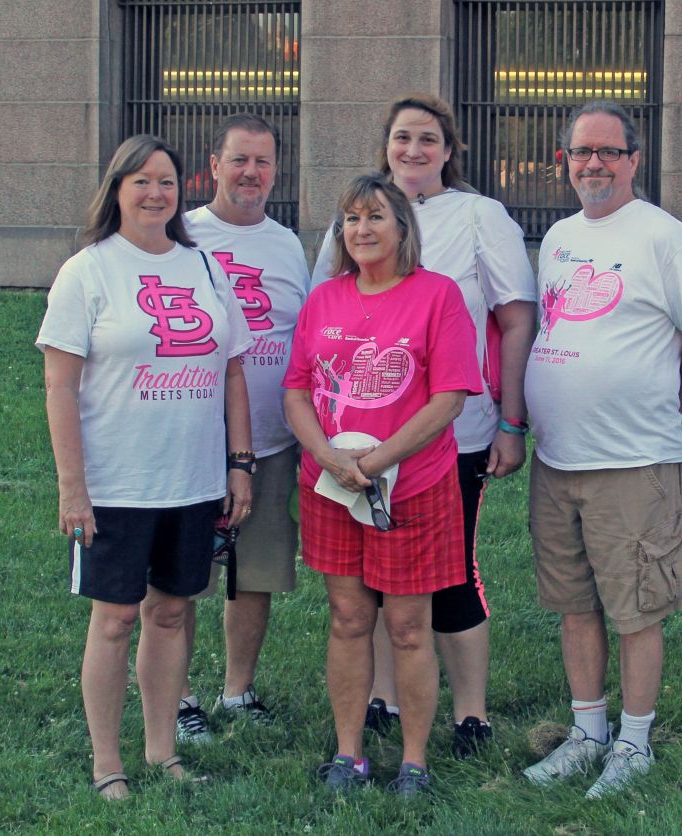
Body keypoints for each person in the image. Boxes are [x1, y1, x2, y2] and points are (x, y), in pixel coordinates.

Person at [312, 93, 536, 756]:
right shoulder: (354, 215)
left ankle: (470, 712)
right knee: (373, 577)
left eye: (429, 140)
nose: (414, 150)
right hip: (358, 442)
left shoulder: (478, 216)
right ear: (385, 145)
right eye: (403, 138)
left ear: (449, 150)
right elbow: (328, 317)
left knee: (449, 572)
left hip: (452, 436)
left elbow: (516, 317)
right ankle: (382, 696)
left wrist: (512, 421)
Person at [37, 135, 253, 800]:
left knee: (168, 613)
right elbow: (59, 385)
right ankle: (109, 764)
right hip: (116, 484)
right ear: (117, 189)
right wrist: (74, 487)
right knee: (115, 619)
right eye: (140, 181)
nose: (155, 193)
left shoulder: (205, 267)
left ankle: (163, 752)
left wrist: (239, 463)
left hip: (191, 481)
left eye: (165, 181)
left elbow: (234, 369)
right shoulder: (88, 271)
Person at [522, 101, 682, 799]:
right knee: (575, 604)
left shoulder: (664, 237)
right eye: (583, 152)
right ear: (565, 161)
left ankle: (634, 743)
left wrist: (665, 405)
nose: (595, 164)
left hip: (634, 462)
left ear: (635, 160)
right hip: (559, 462)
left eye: (610, 151)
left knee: (637, 607)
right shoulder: (558, 238)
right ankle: (587, 735)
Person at [283, 174, 482, 795]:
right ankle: (350, 756)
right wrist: (328, 457)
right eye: (350, 220)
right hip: (332, 487)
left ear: (402, 228)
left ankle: (413, 762)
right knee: (346, 618)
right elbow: (295, 389)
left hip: (411, 487)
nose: (361, 231)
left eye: (374, 218)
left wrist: (376, 462)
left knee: (407, 626)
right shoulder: (324, 299)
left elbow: (449, 398)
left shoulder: (436, 295)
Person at [174, 113, 309, 742]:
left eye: (262, 162)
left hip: (272, 442)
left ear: (276, 170)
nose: (251, 173)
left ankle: (237, 691)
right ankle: (179, 698)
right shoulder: (182, 237)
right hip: (191, 445)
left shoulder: (287, 244)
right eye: (239, 160)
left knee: (254, 574)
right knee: (179, 578)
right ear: (215, 165)